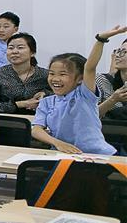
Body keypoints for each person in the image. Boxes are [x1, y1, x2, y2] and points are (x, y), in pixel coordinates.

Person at [31, 26, 126, 155]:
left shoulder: (84, 95)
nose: (55, 79)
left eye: (63, 74)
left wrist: (101, 39)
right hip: (63, 154)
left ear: (80, 79)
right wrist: (58, 143)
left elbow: (90, 67)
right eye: (52, 73)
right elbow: (36, 130)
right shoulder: (46, 102)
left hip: (97, 155)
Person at [0, 32, 51, 114]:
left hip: (38, 121)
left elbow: (60, 96)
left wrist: (45, 94)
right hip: (7, 121)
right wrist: (21, 104)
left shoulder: (45, 75)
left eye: (20, 47)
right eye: (11, 48)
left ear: (32, 52)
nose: (14, 51)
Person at [97, 37, 127, 121]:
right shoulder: (102, 81)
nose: (117, 55)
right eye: (118, 51)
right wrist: (113, 99)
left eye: (124, 52)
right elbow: (88, 115)